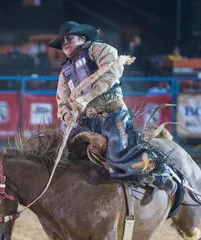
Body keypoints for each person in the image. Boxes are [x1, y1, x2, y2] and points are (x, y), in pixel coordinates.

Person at [48, 21, 178, 194]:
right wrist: (66, 116)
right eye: (62, 41)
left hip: (111, 113)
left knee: (118, 154)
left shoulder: (100, 49)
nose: (64, 43)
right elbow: (61, 99)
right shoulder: (65, 72)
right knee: (62, 155)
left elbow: (111, 73)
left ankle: (159, 169)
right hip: (84, 120)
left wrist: (85, 98)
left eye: (68, 38)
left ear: (82, 38)